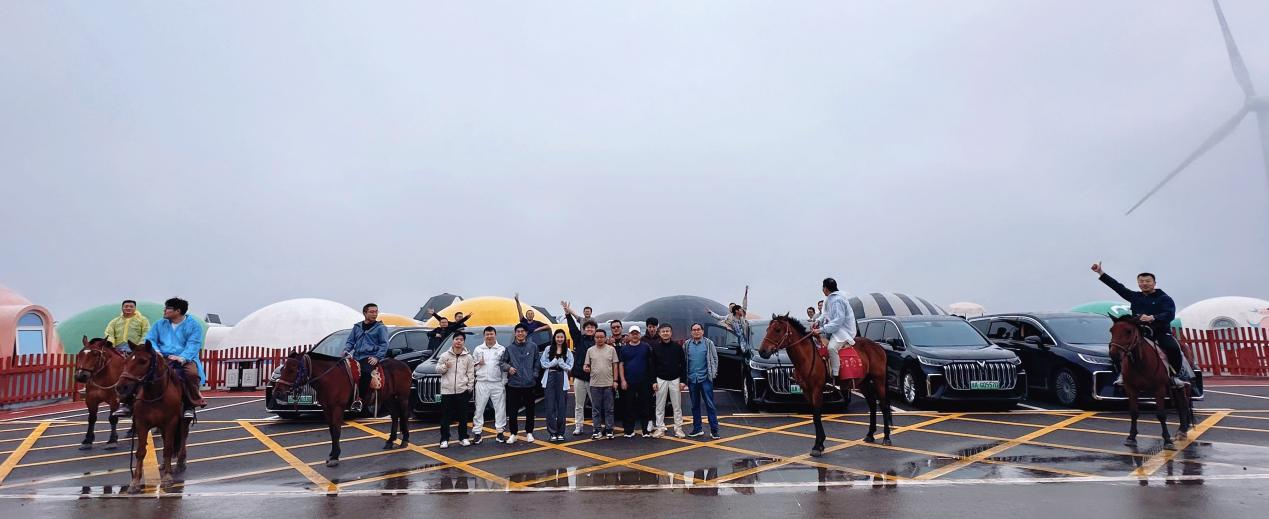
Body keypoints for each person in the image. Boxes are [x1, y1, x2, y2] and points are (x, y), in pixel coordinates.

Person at [1091, 262, 1186, 387]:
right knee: (1115, 348)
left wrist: (1153, 318)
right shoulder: (1135, 296)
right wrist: (1100, 272)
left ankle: (1175, 376)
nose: (1144, 284)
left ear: (1154, 283)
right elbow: (1118, 287)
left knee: (1172, 347)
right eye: (1141, 281)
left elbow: (1169, 314)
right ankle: (1122, 374)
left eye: (1148, 281)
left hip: (1160, 332)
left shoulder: (1164, 298)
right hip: (1139, 332)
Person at [114, 297, 205, 419]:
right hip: (160, 356)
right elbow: (150, 338)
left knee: (191, 374)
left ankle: (190, 405)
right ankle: (126, 403)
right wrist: (156, 351)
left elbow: (194, 344)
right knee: (136, 370)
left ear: (177, 311)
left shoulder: (194, 326)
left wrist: (182, 357)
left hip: (184, 358)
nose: (164, 310)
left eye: (167, 308)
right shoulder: (159, 324)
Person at [344, 304, 389, 413]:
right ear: (365, 313)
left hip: (369, 357)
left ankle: (359, 400)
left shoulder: (380, 328)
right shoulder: (357, 327)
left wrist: (377, 357)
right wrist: (346, 350)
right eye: (372, 312)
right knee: (343, 371)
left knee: (365, 373)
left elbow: (384, 344)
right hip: (356, 356)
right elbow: (350, 341)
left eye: (376, 312)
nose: (375, 314)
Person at [563, 301, 599, 436]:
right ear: (584, 328)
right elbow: (572, 328)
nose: (589, 329)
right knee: (579, 405)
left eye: (592, 328)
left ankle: (596, 427)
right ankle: (579, 426)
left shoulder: (598, 341)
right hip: (579, 377)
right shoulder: (579, 339)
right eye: (587, 327)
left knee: (595, 405)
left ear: (595, 329)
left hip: (594, 378)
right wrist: (567, 314)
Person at [813, 278, 857, 381]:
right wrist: (817, 321)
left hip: (842, 331)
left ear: (826, 288)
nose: (822, 289)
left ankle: (836, 374)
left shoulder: (838, 300)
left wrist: (821, 330)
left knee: (831, 348)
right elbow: (825, 314)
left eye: (823, 287)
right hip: (833, 329)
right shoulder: (829, 298)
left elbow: (838, 321)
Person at [502, 323, 540, 443]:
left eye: (522, 331)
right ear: (515, 333)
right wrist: (509, 368)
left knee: (530, 410)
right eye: (518, 331)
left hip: (529, 384)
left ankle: (529, 432)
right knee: (513, 411)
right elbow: (502, 363)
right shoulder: (509, 348)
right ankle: (513, 433)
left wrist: (534, 375)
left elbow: (537, 363)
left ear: (526, 333)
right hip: (514, 384)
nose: (520, 333)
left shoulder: (533, 346)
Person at [436, 332, 475, 448]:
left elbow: (471, 373)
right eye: (457, 339)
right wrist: (445, 367)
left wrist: (469, 387)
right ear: (453, 341)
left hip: (462, 390)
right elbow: (437, 369)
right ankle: (444, 439)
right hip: (447, 391)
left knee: (463, 416)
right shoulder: (445, 355)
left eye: (461, 339)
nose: (459, 341)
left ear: (464, 342)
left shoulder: (468, 356)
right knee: (445, 417)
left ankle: (463, 437)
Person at [470, 327, 509, 444]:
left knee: (500, 409)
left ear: (495, 335)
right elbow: (472, 366)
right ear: (484, 336)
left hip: (497, 383)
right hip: (482, 383)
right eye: (487, 334)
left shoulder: (501, 349)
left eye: (491, 334)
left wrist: (503, 382)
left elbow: (504, 368)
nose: (489, 336)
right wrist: (478, 363)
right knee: (479, 408)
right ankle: (477, 433)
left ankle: (500, 432)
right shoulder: (478, 349)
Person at [684, 323, 720, 439]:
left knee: (710, 405)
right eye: (694, 330)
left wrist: (713, 373)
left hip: (705, 379)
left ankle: (714, 430)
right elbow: (684, 360)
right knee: (695, 406)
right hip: (692, 379)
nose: (696, 332)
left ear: (702, 331)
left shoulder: (708, 343)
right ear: (691, 332)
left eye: (698, 329)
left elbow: (715, 358)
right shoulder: (687, 344)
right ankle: (697, 429)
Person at [650, 323, 686, 438]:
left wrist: (683, 381)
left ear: (671, 333)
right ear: (659, 333)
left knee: (677, 406)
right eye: (663, 331)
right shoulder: (655, 347)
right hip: (660, 379)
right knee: (659, 406)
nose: (665, 333)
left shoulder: (677, 347)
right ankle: (660, 428)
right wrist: (653, 381)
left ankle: (678, 428)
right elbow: (652, 366)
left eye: (667, 331)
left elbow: (683, 365)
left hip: (675, 379)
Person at [583, 329, 620, 440]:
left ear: (605, 338)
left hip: (608, 384)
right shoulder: (590, 350)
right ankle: (597, 430)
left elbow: (615, 366)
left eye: (601, 337)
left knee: (609, 409)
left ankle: (609, 430)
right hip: (594, 384)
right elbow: (586, 365)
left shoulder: (611, 349)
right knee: (596, 409)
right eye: (597, 337)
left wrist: (615, 381)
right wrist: (586, 368)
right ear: (594, 338)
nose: (599, 339)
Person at [617, 325, 653, 437]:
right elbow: (621, 365)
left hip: (644, 382)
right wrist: (622, 380)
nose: (635, 335)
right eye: (632, 333)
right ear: (629, 335)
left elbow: (651, 364)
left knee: (645, 406)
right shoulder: (624, 349)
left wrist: (651, 380)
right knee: (628, 406)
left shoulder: (646, 347)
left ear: (640, 334)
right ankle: (629, 430)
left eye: (636, 333)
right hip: (629, 382)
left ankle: (645, 430)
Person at [540, 329, 574, 442]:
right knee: (550, 407)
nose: (560, 339)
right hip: (550, 376)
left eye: (562, 337)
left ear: (564, 338)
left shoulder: (567, 351)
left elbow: (570, 366)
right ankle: (552, 432)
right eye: (558, 337)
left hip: (561, 377)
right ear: (554, 338)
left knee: (561, 407)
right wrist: (552, 363)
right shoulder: (548, 349)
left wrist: (562, 364)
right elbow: (543, 363)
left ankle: (561, 432)